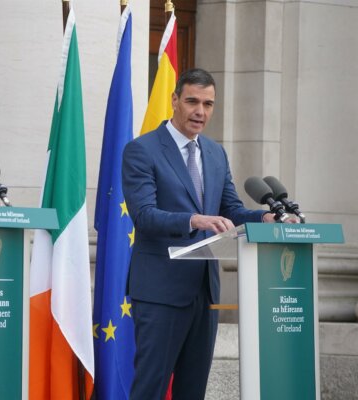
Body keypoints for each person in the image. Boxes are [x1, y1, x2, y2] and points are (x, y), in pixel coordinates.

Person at [122, 68, 278, 399]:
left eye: (208, 104)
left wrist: (265, 217)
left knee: (193, 391)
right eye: (192, 101)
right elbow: (144, 215)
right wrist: (195, 220)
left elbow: (231, 209)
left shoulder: (215, 152)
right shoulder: (142, 150)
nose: (200, 112)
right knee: (149, 389)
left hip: (204, 291)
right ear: (174, 100)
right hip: (160, 291)